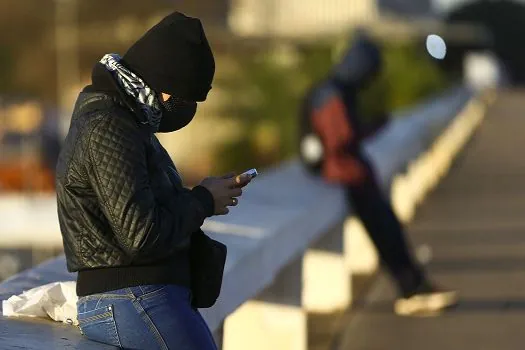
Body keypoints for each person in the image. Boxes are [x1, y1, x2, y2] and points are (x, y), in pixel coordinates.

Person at [55, 12, 250, 349]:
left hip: (142, 296)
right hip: (130, 296)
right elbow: (141, 234)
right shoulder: (109, 127)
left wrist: (207, 195)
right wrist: (203, 199)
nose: (187, 110)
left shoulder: (128, 120)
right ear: (163, 90)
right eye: (186, 100)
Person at [298, 32, 458, 316]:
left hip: (347, 174)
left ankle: (415, 285)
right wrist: (370, 127)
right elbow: (339, 139)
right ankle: (411, 289)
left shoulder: (332, 89)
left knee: (389, 229)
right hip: (346, 175)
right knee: (386, 231)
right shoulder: (332, 93)